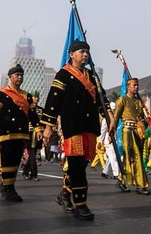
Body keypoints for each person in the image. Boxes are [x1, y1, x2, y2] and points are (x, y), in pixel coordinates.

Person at [43, 40, 105, 220]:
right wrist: (49, 126)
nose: (85, 55)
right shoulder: (63, 74)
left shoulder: (92, 76)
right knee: (77, 166)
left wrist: (109, 116)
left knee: (82, 163)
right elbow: (53, 101)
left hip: (89, 126)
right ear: (71, 54)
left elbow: (102, 99)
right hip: (73, 126)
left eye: (87, 52)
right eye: (81, 51)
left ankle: (64, 194)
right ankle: (81, 203)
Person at [0, 64, 41, 202]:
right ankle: (8, 188)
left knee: (16, 161)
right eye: (17, 75)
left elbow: (33, 115)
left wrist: (38, 129)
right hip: (6, 133)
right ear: (10, 77)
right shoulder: (2, 94)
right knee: (7, 161)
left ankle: (8, 185)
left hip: (21, 134)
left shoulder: (27, 96)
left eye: (21, 75)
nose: (20, 77)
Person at [110, 77, 150, 195]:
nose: (136, 87)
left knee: (138, 156)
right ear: (128, 87)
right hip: (127, 131)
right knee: (130, 156)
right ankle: (134, 183)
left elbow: (143, 117)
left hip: (138, 132)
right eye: (134, 85)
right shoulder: (122, 100)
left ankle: (128, 181)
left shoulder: (139, 102)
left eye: (137, 85)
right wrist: (111, 133)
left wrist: (146, 122)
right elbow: (116, 117)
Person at [23, 93, 44, 181]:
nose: (36, 99)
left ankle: (25, 171)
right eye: (34, 97)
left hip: (38, 134)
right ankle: (34, 174)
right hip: (30, 133)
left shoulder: (41, 110)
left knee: (33, 154)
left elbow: (43, 123)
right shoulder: (27, 109)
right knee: (32, 155)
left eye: (37, 97)